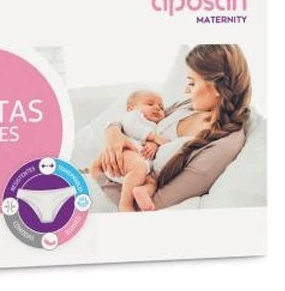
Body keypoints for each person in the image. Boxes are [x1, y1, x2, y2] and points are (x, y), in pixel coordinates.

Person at [93, 45, 251, 211]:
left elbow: (148, 206)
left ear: (217, 86)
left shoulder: (222, 147)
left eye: (192, 83)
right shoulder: (189, 106)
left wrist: (98, 175)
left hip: (109, 194)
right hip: (110, 170)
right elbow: (137, 119)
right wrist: (113, 134)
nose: (186, 90)